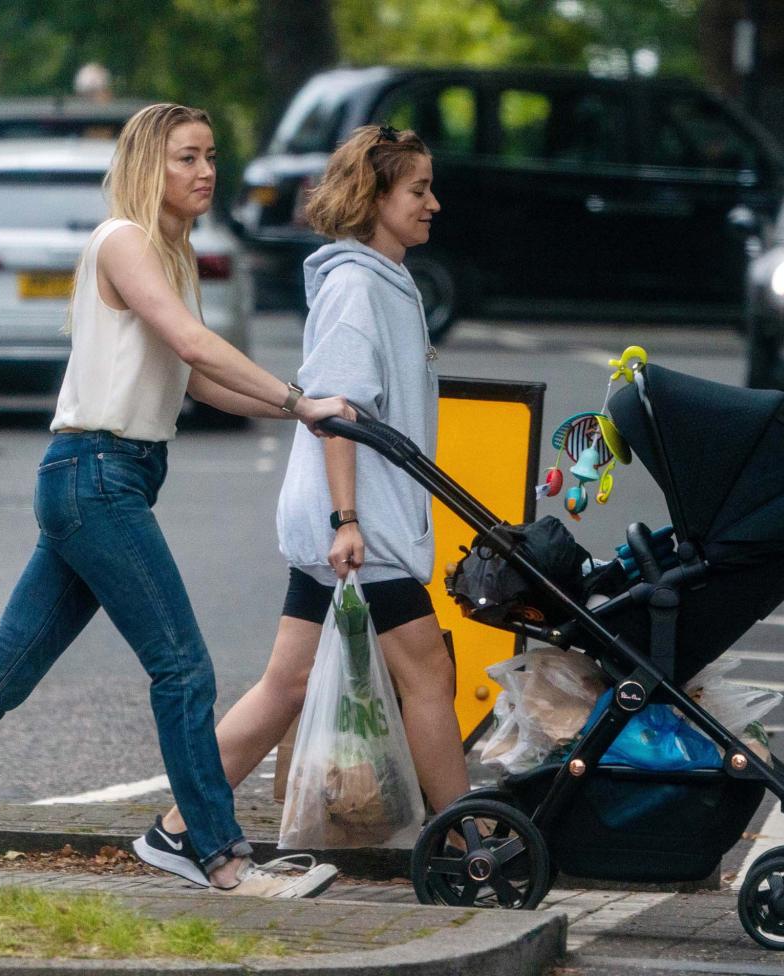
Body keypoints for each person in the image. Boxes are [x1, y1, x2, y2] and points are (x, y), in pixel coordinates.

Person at [0, 103, 353, 899]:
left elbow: (197, 379)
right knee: (182, 668)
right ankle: (218, 856)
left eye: (210, 157)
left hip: (108, 476)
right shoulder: (124, 241)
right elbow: (193, 344)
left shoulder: (169, 251)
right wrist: (301, 397)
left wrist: (300, 412)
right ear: (148, 165)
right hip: (95, 474)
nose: (205, 172)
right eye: (186, 158)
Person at [134, 124, 472, 883]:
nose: (433, 204)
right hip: (361, 527)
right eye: (418, 190)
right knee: (427, 679)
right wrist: (347, 520)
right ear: (378, 196)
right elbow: (340, 409)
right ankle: (465, 843)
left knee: (287, 685)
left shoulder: (384, 279)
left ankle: (177, 826)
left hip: (353, 522)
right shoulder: (356, 286)